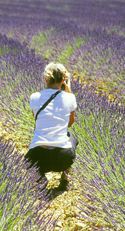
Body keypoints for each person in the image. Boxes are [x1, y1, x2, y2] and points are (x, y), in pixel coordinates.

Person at [25, 62, 78, 192]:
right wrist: (68, 90)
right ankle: (65, 179)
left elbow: (38, 121)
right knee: (71, 138)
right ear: (63, 80)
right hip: (63, 158)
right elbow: (69, 123)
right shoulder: (69, 98)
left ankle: (40, 178)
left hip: (37, 158)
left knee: (28, 161)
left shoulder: (35, 97)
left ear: (46, 79)